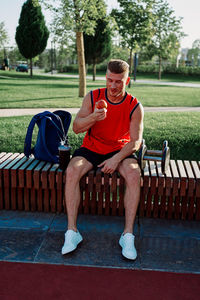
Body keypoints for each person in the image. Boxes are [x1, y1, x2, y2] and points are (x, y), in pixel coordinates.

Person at [62, 59, 144, 260]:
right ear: (105, 77)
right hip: (92, 147)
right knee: (72, 171)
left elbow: (135, 142)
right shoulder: (93, 96)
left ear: (127, 80)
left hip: (120, 149)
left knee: (134, 174)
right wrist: (93, 118)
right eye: (110, 80)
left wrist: (116, 159)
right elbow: (76, 127)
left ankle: (127, 235)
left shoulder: (135, 105)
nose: (113, 86)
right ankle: (72, 233)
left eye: (119, 81)